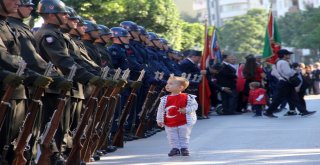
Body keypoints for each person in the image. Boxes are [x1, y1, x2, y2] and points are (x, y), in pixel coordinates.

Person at [264, 49, 316, 118]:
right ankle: (268, 112)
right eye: (288, 54)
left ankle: (303, 111)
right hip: (286, 83)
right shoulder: (284, 62)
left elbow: (274, 73)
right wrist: (295, 71)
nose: (289, 55)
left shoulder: (279, 62)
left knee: (293, 98)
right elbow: (288, 73)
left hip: (285, 82)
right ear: (284, 55)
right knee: (279, 99)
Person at [156, 76, 198, 157]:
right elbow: (160, 110)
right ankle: (175, 148)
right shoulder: (164, 99)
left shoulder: (188, 97)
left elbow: (195, 106)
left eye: (171, 84)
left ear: (180, 87)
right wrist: (159, 120)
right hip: (170, 122)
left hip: (183, 121)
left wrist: (186, 110)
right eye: (167, 83)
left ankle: (184, 148)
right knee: (172, 136)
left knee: (184, 135)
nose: (167, 85)